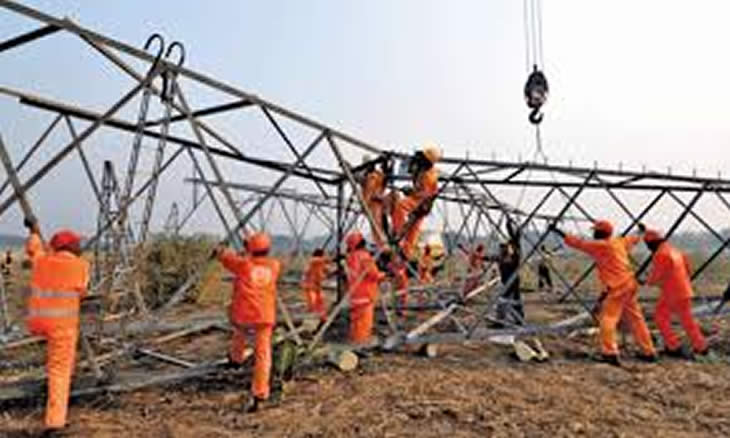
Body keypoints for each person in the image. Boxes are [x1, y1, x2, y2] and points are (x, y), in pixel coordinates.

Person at [551, 220, 657, 365]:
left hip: (617, 288)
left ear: (600, 233)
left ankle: (610, 353)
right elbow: (633, 239)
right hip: (629, 284)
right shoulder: (619, 242)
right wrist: (641, 231)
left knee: (608, 319)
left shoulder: (601, 246)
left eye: (595, 231)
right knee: (636, 319)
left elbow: (578, 243)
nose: (593, 233)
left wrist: (558, 231)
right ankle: (649, 351)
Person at [26, 229, 90, 432]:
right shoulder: (80, 266)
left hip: (38, 322)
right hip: (62, 327)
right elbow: (82, 291)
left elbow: (33, 248)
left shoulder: (41, 260)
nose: (80, 246)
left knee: (58, 365)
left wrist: (34, 232)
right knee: (60, 371)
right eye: (77, 243)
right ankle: (55, 422)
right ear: (69, 247)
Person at [216, 232, 281, 412]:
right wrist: (249, 247)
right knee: (263, 355)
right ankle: (260, 392)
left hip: (244, 314)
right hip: (264, 316)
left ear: (249, 248)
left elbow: (226, 258)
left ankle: (236, 359)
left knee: (239, 333)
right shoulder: (275, 265)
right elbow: (256, 259)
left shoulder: (243, 264)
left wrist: (221, 251)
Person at [643, 228, 709, 358]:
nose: (648, 248)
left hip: (671, 292)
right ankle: (701, 346)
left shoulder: (660, 254)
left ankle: (673, 346)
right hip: (685, 290)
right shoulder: (676, 251)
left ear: (652, 243)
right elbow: (688, 270)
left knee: (660, 318)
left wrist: (645, 281)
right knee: (687, 320)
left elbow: (656, 277)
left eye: (648, 245)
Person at [391, 146, 441, 259]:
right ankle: (406, 253)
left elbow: (425, 194)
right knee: (414, 228)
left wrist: (411, 192)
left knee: (400, 205)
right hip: (422, 203)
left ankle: (399, 233)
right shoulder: (425, 170)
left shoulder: (429, 176)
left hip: (421, 202)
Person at [345, 231, 384, 344]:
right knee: (365, 322)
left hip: (354, 294)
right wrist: (384, 275)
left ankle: (354, 340)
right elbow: (373, 275)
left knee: (356, 320)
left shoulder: (350, 257)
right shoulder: (365, 257)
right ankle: (361, 344)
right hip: (366, 294)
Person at [495, 219, 524, 327]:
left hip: (511, 280)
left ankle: (501, 322)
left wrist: (508, 224)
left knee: (504, 300)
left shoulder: (514, 253)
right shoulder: (506, 256)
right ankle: (518, 320)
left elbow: (515, 237)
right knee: (513, 300)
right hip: (509, 280)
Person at [360, 156, 388, 248]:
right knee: (375, 224)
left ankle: (382, 243)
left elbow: (384, 181)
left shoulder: (378, 174)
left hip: (378, 202)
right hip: (369, 203)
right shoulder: (365, 176)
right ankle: (379, 244)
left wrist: (386, 166)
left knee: (379, 223)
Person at [301, 248, 331, 323]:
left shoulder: (320, 264)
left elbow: (326, 270)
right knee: (312, 303)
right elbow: (319, 260)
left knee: (320, 303)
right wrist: (332, 259)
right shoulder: (314, 261)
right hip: (310, 285)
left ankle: (322, 318)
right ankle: (311, 320)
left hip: (316, 286)